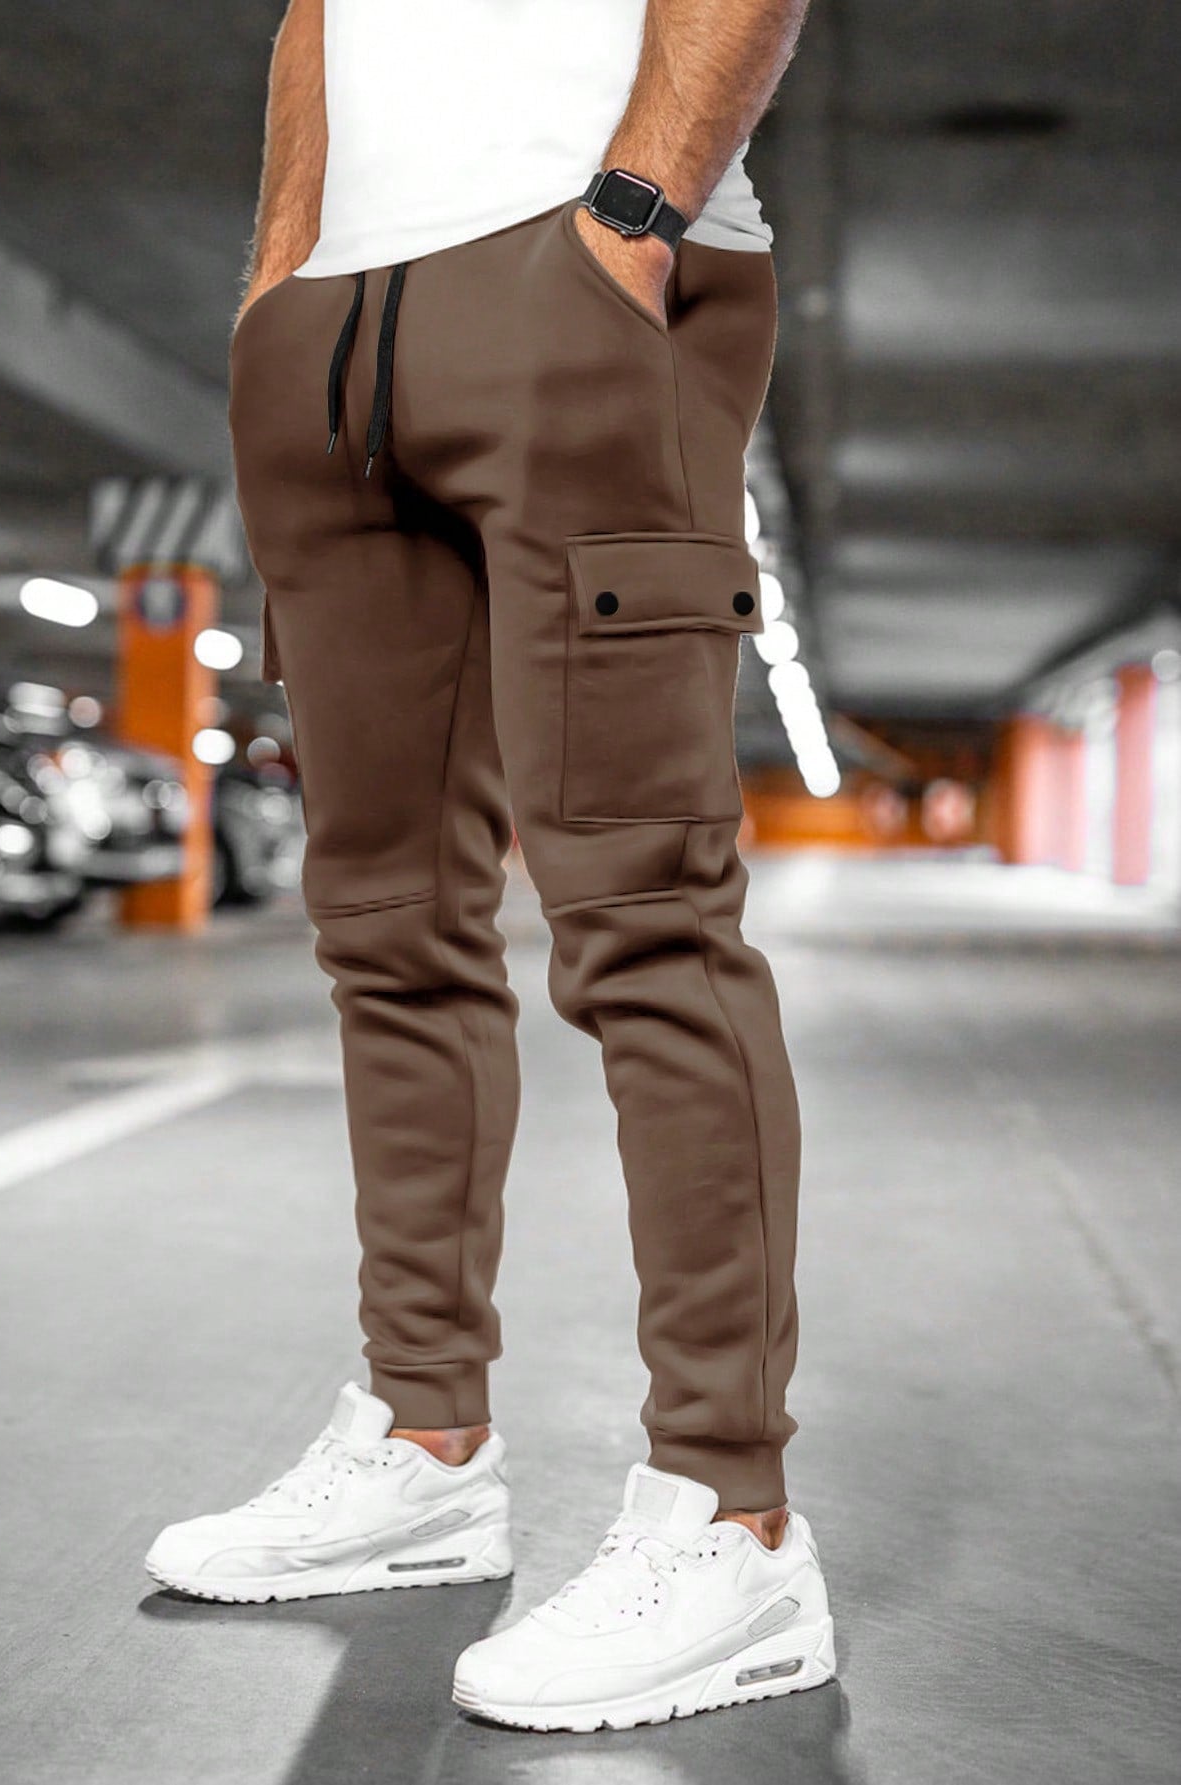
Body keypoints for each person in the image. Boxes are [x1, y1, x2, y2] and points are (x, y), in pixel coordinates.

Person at [147, 0, 835, 1733]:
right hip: (334, 337)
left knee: (645, 924)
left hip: (587, 268)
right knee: (385, 926)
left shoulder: (617, 247)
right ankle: (422, 1441)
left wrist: (635, 214)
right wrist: (281, 283)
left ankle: (734, 1520)